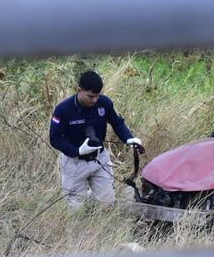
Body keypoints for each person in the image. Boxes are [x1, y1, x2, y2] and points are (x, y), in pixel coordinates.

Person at [49, 70, 143, 209]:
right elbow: (54, 138)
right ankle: (81, 199)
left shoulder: (104, 103)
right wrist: (77, 151)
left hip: (99, 159)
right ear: (79, 90)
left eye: (97, 96)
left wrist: (129, 139)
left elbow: (117, 123)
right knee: (76, 209)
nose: (94, 100)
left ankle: (89, 198)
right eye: (90, 96)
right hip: (74, 162)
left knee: (106, 204)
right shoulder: (63, 109)